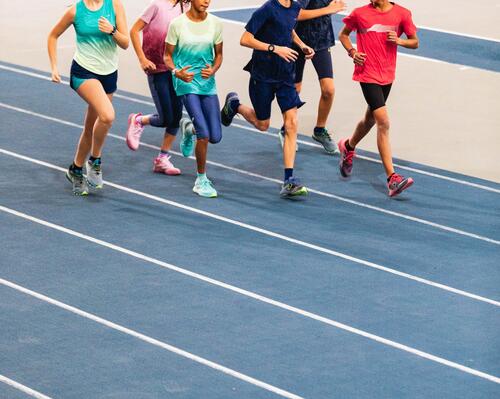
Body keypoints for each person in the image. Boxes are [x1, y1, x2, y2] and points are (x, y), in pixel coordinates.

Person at [220, 0, 315, 198]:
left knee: (291, 123)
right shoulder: (267, 9)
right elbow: (245, 39)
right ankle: (235, 105)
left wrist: (301, 45)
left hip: (286, 76)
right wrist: (274, 48)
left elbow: (288, 29)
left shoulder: (295, 7)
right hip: (262, 76)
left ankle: (289, 180)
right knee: (262, 124)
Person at [338, 0, 418, 197]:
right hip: (367, 73)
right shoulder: (360, 14)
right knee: (383, 121)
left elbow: (415, 42)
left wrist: (400, 41)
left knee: (371, 119)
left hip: (387, 75)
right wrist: (353, 52)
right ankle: (392, 179)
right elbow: (343, 35)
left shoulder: (402, 14)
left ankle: (348, 146)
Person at [48, 0, 129, 195]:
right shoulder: (76, 11)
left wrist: (112, 31)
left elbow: (125, 43)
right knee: (108, 116)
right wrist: (54, 67)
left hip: (109, 73)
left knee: (90, 128)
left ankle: (76, 169)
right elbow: (53, 36)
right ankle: (95, 160)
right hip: (83, 72)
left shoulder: (115, 5)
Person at [165, 0, 223, 198]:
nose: (207, 1)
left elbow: (219, 54)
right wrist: (176, 72)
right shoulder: (177, 24)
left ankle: (188, 128)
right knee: (204, 135)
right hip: (186, 83)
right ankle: (201, 179)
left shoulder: (216, 23)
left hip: (207, 84)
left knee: (216, 136)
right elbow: (167, 56)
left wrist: (213, 69)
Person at [125, 0, 191, 176]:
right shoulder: (157, 6)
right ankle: (139, 120)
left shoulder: (187, 7)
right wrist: (142, 59)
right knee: (165, 118)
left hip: (177, 70)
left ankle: (162, 158)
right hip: (156, 68)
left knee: (176, 117)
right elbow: (134, 30)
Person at [287, 0, 346, 154]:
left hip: (321, 40)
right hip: (298, 42)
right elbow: (296, 14)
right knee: (295, 89)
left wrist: (331, 9)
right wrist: (327, 9)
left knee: (329, 90)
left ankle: (319, 130)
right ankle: (286, 128)